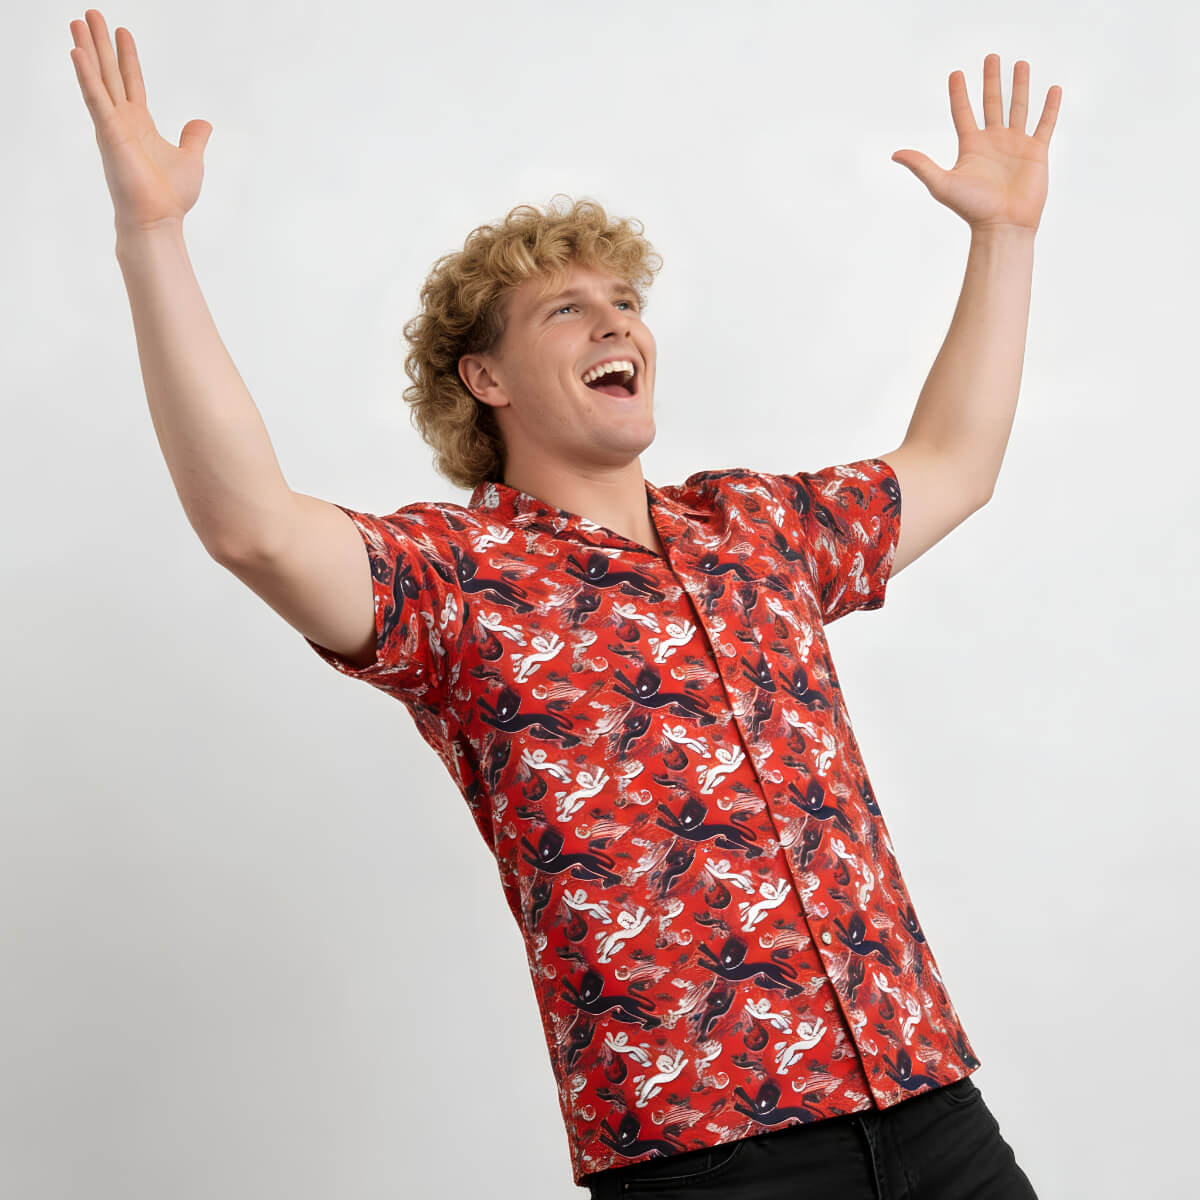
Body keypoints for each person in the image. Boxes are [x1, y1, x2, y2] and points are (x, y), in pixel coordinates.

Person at [70, 10, 1061, 1196]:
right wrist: (151, 232)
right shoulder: (454, 579)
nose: (616, 322)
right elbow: (251, 524)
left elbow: (956, 460)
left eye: (625, 300)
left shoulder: (758, 528)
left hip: (932, 1102)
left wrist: (1003, 238)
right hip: (711, 1160)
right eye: (565, 310)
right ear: (482, 380)